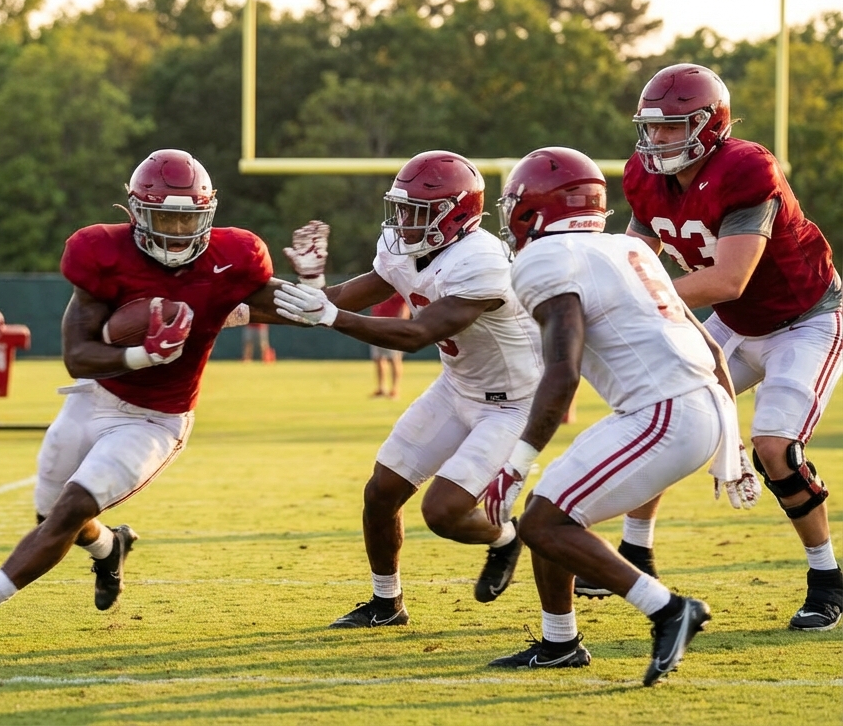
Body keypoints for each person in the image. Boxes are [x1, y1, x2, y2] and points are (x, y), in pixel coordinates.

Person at [0, 148, 286, 645]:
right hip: (94, 395)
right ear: (137, 212)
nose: (176, 232)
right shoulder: (100, 253)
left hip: (155, 419)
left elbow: (310, 307)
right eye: (163, 216)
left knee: (69, 508)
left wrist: (312, 282)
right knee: (51, 518)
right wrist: (144, 354)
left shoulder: (234, 259)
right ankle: (109, 547)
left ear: (207, 214)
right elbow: (78, 355)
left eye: (187, 220)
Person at [584, 63, 843, 632]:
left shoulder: (746, 170)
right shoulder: (645, 177)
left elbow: (730, 279)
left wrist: (639, 301)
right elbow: (637, 257)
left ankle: (827, 578)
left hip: (804, 321)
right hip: (733, 323)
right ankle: (636, 550)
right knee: (661, 413)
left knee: (776, 449)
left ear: (709, 125)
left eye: (673, 127)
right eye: (653, 128)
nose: (658, 140)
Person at [488, 146, 753, 684]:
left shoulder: (543, 258)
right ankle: (560, 642)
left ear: (531, 211)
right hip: (694, 401)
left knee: (543, 520)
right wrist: (736, 446)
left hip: (665, 411)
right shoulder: (625, 249)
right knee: (552, 509)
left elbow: (561, 375)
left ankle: (668, 609)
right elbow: (715, 350)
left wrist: (513, 465)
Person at [271, 150, 542, 628]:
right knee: (380, 492)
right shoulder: (402, 247)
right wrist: (310, 287)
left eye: (417, 211)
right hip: (457, 387)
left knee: (444, 513)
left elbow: (417, 335)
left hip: (512, 404)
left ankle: (506, 536)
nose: (403, 221)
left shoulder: (480, 261)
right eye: (400, 208)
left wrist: (330, 316)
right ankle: (386, 602)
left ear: (456, 214)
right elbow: (341, 298)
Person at [368, 295, 410, 397]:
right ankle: (381, 388)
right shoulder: (379, 289)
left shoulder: (397, 290)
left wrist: (401, 325)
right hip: (377, 325)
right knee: (379, 358)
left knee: (394, 358)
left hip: (392, 326)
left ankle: (395, 389)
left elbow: (405, 306)